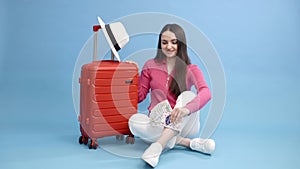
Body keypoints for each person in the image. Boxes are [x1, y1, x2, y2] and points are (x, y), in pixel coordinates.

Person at [128, 23, 215, 167]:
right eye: (165, 42)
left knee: (188, 95)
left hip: (184, 122)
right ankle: (188, 143)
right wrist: (130, 73)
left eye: (174, 42)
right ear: (160, 44)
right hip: (157, 123)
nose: (169, 46)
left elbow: (206, 92)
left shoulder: (190, 69)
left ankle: (157, 148)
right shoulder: (150, 65)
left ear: (181, 44)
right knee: (133, 121)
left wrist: (185, 109)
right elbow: (139, 97)